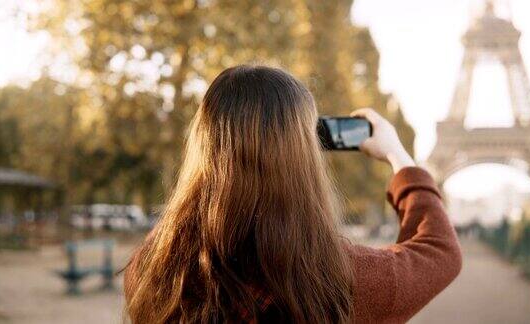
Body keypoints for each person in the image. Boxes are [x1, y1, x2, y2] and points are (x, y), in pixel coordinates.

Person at [123, 65, 462, 323]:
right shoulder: (339, 281)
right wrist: (398, 156)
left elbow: (185, 221)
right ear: (303, 159)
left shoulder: (153, 271)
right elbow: (439, 250)